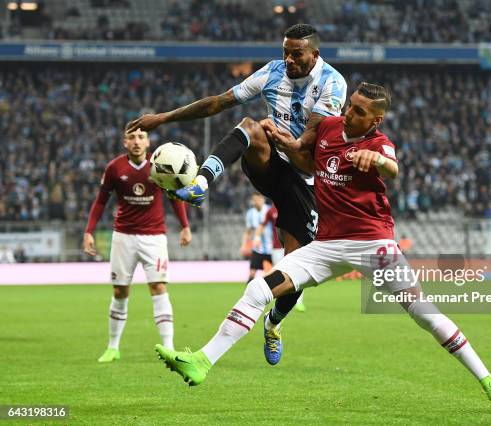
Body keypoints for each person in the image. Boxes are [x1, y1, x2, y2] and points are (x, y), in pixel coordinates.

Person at [154, 83, 491, 414]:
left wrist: (375, 161)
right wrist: (281, 138)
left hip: (374, 245)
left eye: (360, 111)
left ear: (376, 120)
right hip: (326, 245)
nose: (349, 113)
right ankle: (203, 361)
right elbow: (303, 154)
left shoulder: (378, 144)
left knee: (425, 315)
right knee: (259, 288)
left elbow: (392, 168)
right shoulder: (327, 128)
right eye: (350, 106)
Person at [127, 23, 347, 365]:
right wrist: (164, 118)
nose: (288, 59)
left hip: (306, 179)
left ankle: (273, 324)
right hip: (271, 164)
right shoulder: (273, 73)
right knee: (249, 126)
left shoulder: (332, 84)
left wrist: (283, 137)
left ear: (314, 55)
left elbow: (309, 150)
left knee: (294, 272)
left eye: (296, 54)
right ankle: (200, 183)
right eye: (285, 52)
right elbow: (217, 103)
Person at [83, 129, 192, 363]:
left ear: (148, 142)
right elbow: (101, 200)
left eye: (141, 137)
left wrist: (185, 225)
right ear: (125, 142)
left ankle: (169, 348)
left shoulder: (160, 164)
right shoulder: (115, 168)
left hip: (154, 237)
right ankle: (113, 347)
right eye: (131, 137)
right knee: (120, 291)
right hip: (123, 236)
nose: (136, 141)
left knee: (159, 288)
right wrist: (89, 231)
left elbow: (173, 195)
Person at [243, 192, 273, 283]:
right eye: (254, 200)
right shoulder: (250, 213)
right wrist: (244, 244)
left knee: (272, 273)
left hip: (272, 248)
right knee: (252, 273)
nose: (256, 202)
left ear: (263, 199)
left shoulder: (269, 210)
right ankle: (248, 293)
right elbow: (248, 230)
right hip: (257, 248)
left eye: (258, 199)